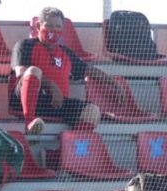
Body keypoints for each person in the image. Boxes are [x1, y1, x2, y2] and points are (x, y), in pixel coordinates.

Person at [10, 6, 119, 135]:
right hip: (24, 102)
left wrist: (113, 84)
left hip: (56, 103)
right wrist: (51, 85)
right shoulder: (25, 45)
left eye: (58, 27)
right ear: (39, 26)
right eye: (49, 26)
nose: (54, 30)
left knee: (92, 110)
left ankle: (66, 150)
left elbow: (89, 70)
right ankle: (30, 123)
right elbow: (22, 73)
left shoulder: (65, 52)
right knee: (34, 71)